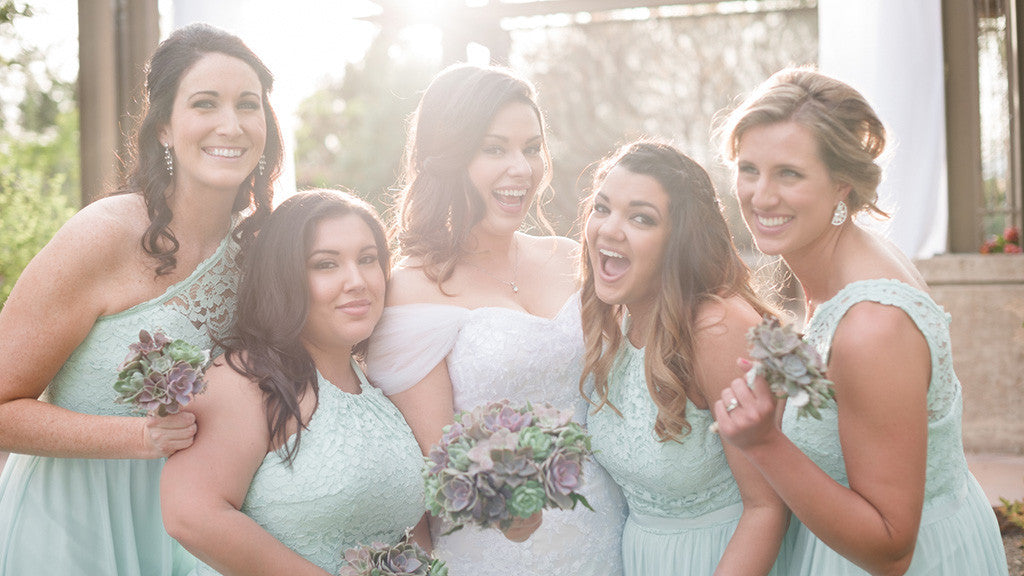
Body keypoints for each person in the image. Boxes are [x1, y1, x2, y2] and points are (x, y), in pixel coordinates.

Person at [0, 23, 283, 575]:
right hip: (79, 528)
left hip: (205, 531)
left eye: (248, 105)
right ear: (163, 129)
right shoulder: (103, 235)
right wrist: (137, 435)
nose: (232, 124)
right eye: (205, 103)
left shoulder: (264, 252)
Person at [713, 67, 1009, 576]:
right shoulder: (840, 261)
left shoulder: (873, 326)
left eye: (789, 173)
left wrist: (764, 443)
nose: (760, 196)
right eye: (749, 168)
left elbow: (891, 550)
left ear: (842, 185)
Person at [365, 63, 627, 575]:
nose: (522, 168)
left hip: (610, 535)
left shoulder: (570, 256)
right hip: (497, 550)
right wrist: (510, 512)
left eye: (531, 148)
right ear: (449, 158)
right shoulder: (411, 290)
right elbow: (437, 472)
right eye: (494, 148)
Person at [160, 189, 426, 575]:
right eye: (326, 264)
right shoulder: (245, 379)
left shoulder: (376, 386)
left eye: (367, 259)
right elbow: (191, 514)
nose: (357, 281)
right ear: (284, 277)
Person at [579, 140, 788, 576]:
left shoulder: (715, 329)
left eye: (641, 217)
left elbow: (768, 507)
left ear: (680, 239)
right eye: (602, 208)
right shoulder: (617, 317)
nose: (609, 229)